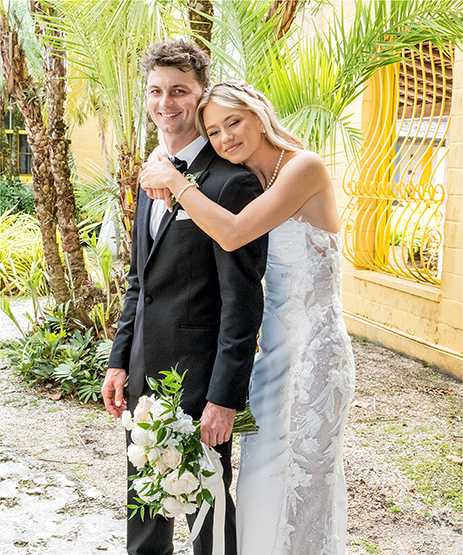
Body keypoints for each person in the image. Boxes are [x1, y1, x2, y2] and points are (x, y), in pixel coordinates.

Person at [138, 80, 355, 555]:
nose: (224, 138)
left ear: (258, 114)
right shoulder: (250, 184)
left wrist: (176, 183)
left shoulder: (304, 167)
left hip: (315, 355)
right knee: (261, 478)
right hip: (271, 353)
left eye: (232, 122)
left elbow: (233, 234)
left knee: (303, 479)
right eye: (213, 132)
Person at [101, 40, 268, 555]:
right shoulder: (152, 170)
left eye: (180, 91)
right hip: (145, 365)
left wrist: (224, 397)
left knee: (207, 509)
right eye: (155, 91)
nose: (165, 102)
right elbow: (139, 280)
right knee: (145, 502)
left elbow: (242, 304)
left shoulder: (231, 184)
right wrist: (119, 360)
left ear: (200, 97)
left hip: (200, 375)